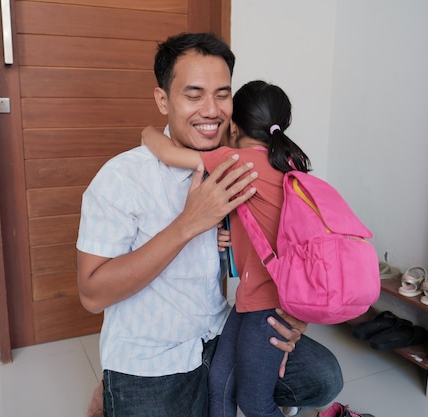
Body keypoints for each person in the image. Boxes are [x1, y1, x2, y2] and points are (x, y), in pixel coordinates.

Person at [76, 33, 343, 417]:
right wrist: (188, 225)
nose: (212, 110)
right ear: (163, 100)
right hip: (152, 357)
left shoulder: (239, 167)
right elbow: (92, 294)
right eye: (194, 94)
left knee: (323, 376)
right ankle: (111, 392)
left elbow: (288, 251)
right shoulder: (121, 179)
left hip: (218, 333)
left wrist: (293, 317)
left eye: (222, 94)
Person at [142, 80, 322, 417]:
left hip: (266, 306)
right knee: (220, 385)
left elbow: (166, 151)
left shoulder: (236, 160)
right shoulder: (289, 162)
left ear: (234, 126)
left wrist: (148, 131)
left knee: (255, 403)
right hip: (256, 298)